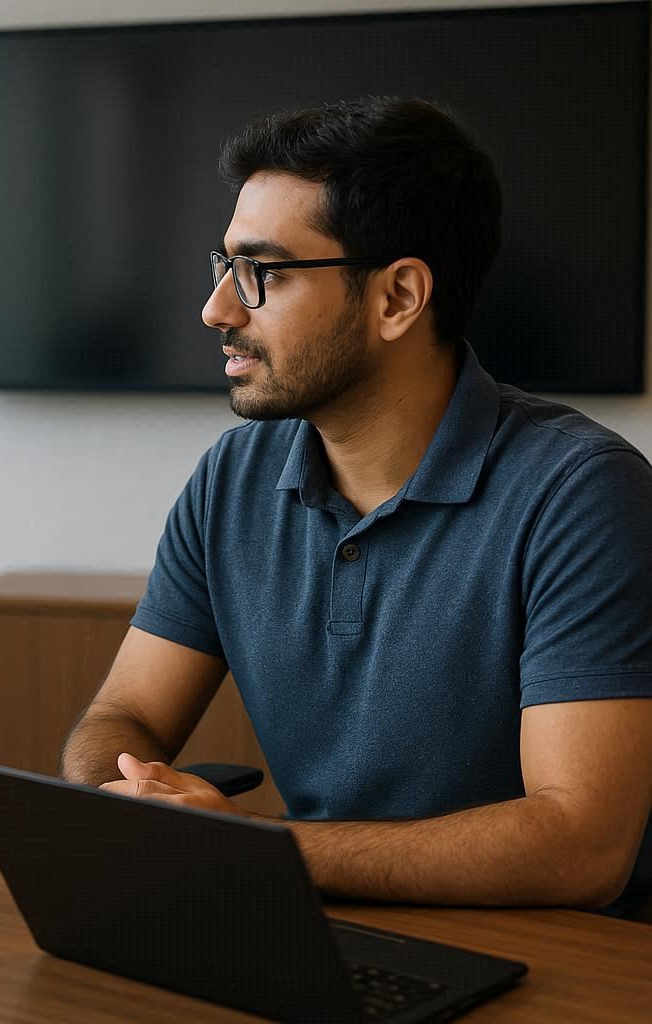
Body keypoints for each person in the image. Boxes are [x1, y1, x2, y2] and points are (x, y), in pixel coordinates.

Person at [61, 97, 652, 914]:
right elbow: (125, 713)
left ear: (398, 297)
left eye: (262, 273)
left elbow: (582, 847)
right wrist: (119, 797)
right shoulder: (231, 476)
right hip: (325, 922)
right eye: (223, 267)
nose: (218, 311)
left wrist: (249, 849)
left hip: (552, 960)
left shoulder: (582, 493)